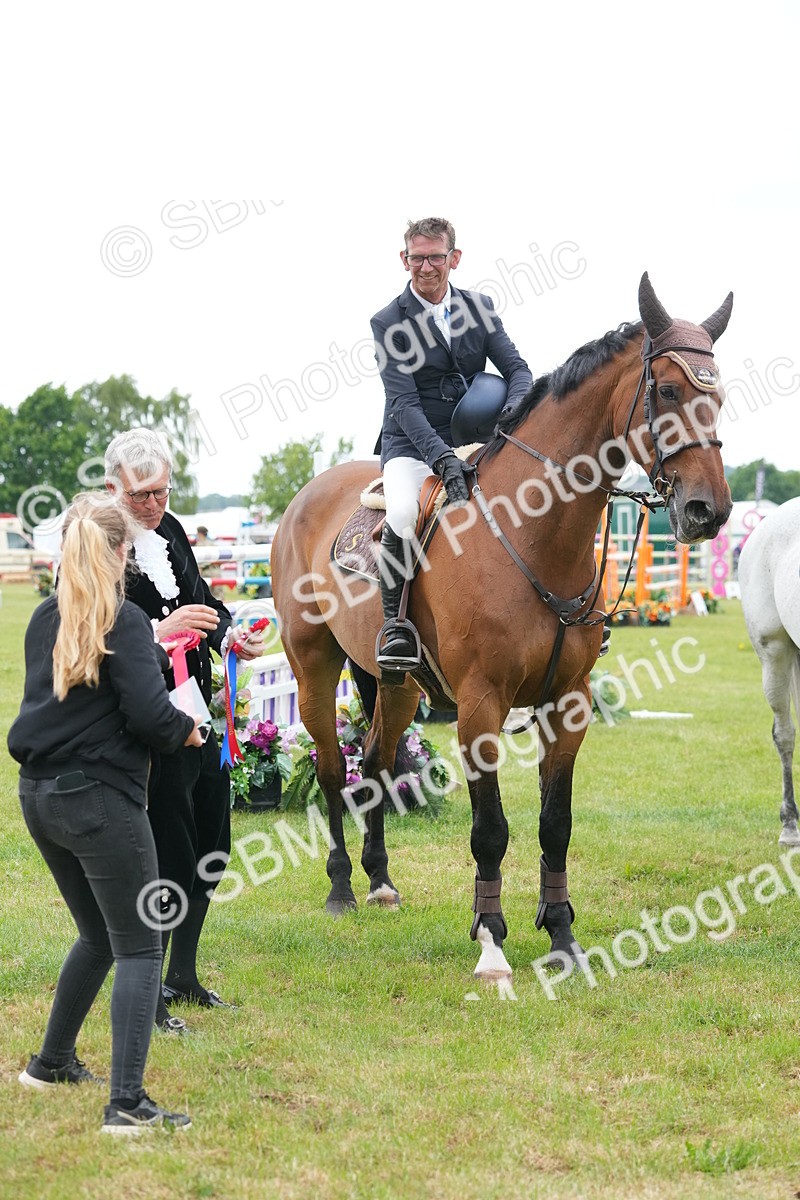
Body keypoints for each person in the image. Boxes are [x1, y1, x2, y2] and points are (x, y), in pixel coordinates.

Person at [8, 493, 202, 1134]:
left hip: (40, 797)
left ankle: (50, 1064)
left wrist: (153, 649)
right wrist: (187, 730)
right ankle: (127, 1105)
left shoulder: (46, 615)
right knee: (142, 947)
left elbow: (94, 685)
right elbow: (149, 715)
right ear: (123, 552)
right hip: (97, 800)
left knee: (97, 937)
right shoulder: (124, 620)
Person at [104, 429, 265, 1031]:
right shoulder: (101, 543)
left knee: (211, 847)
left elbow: (202, 603)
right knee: (167, 858)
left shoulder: (171, 531)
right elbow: (99, 630)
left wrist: (230, 636)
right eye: (141, 495)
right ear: (113, 488)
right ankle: (149, 994)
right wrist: (160, 630)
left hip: (197, 712)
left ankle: (184, 976)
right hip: (144, 723)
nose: (153, 505)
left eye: (162, 492)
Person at [371, 217, 533, 670]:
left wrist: (511, 409)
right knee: (403, 514)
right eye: (417, 258)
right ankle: (395, 626)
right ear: (404, 259)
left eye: (436, 257)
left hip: (475, 439)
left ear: (454, 258)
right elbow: (403, 403)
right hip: (411, 445)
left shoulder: (479, 307)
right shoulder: (388, 322)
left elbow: (517, 370)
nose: (426, 267)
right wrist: (441, 458)